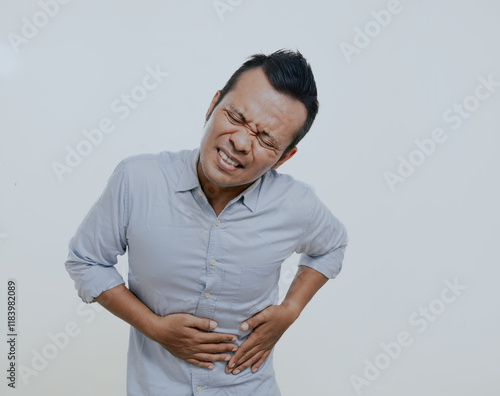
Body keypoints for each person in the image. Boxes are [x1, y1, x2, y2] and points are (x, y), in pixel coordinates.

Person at [65, 49, 348, 395]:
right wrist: (154, 328)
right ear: (213, 104)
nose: (241, 143)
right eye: (236, 117)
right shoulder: (137, 180)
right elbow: (86, 262)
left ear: (284, 157)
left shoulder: (297, 205)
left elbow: (333, 245)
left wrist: (291, 309)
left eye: (266, 139)